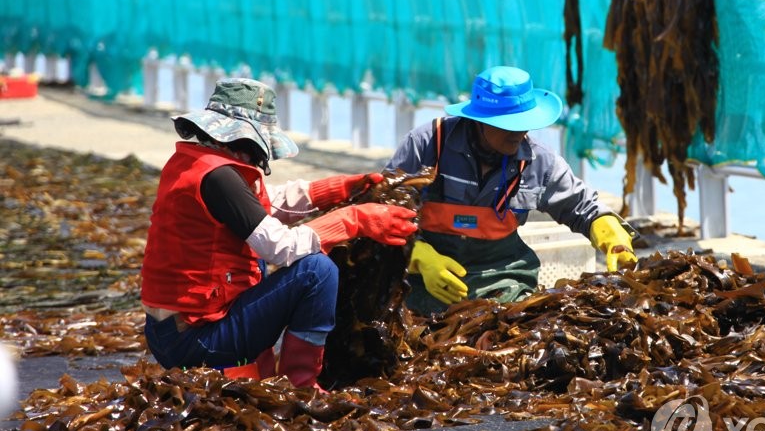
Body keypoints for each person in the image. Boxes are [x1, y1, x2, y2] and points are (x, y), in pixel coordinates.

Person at [141, 78, 418, 389]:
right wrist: (352, 219)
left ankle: (261, 367)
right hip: (197, 340)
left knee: (256, 259)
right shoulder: (220, 178)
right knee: (317, 270)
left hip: (169, 332)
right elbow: (280, 246)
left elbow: (265, 204)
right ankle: (299, 385)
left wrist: (338, 189)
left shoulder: (196, 164)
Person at [386, 65, 637, 316]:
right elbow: (382, 211)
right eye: (508, 125)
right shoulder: (427, 145)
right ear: (478, 120)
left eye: (525, 123)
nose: (520, 132)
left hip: (504, 285)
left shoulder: (539, 162)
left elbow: (585, 208)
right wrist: (418, 256)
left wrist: (609, 233)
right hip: (422, 283)